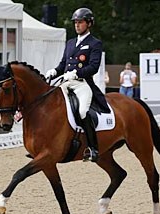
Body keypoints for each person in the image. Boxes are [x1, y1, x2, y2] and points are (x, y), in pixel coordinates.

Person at [45, 7, 110, 162]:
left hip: (83, 84)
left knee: (82, 111)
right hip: (66, 82)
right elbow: (63, 64)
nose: (77, 25)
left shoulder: (95, 43)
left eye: (80, 22)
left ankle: (93, 148)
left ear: (89, 24)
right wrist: (54, 71)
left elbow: (93, 67)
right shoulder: (70, 43)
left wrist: (77, 73)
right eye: (75, 22)